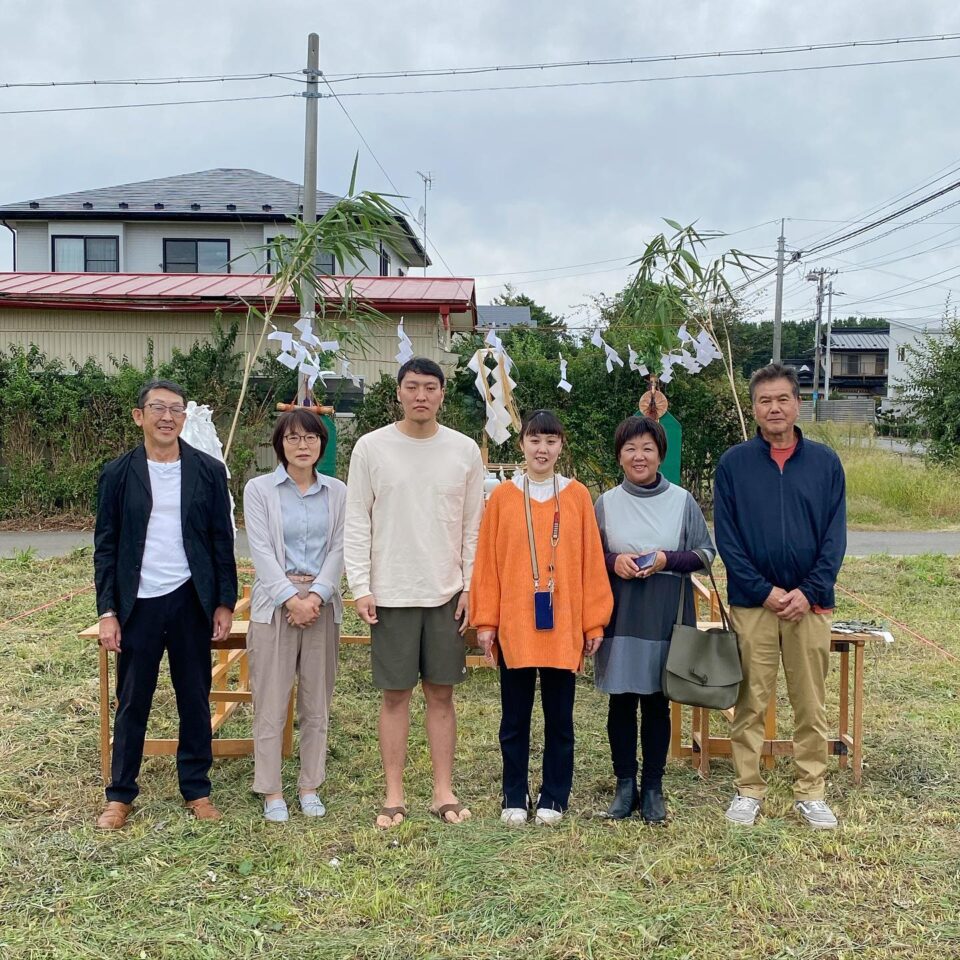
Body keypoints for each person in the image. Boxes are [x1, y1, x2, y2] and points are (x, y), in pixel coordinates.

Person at [344, 357, 485, 828]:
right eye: (411, 387)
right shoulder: (371, 448)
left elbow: (473, 526)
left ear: (442, 394)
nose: (420, 395)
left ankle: (443, 790)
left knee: (441, 694)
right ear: (399, 393)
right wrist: (361, 586)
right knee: (395, 695)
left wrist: (470, 586)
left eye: (429, 387)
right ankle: (394, 793)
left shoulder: (464, 450)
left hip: (446, 592)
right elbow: (357, 520)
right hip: (391, 592)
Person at [94, 379, 237, 829]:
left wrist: (224, 602)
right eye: (158, 408)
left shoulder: (207, 471)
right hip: (138, 603)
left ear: (184, 418)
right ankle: (120, 794)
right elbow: (106, 547)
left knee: (194, 696)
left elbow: (222, 541)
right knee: (132, 699)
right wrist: (108, 612)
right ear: (140, 416)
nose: (167, 417)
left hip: (190, 599)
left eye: (176, 409)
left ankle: (196, 789)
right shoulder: (118, 474)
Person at [714, 362, 846, 830]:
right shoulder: (734, 465)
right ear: (754, 409)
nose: (774, 408)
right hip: (754, 604)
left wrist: (807, 591)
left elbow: (834, 539)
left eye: (782, 399)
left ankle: (811, 790)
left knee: (810, 702)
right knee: (751, 700)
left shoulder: (825, 463)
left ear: (797, 403)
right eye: (765, 400)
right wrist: (765, 591)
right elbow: (728, 541)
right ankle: (747, 789)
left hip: (810, 605)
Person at [471, 410, 613, 826]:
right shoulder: (502, 497)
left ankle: (554, 795)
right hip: (516, 623)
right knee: (514, 718)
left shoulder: (577, 496)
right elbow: (488, 563)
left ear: (561, 446)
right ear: (522, 445)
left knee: (560, 719)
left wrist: (593, 621)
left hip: (562, 623)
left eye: (551, 441)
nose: (542, 449)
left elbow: (590, 562)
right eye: (535, 440)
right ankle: (514, 793)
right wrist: (486, 621)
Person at [593, 415, 715, 823]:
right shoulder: (606, 503)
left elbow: (705, 555)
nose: (639, 456)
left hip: (666, 616)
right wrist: (614, 562)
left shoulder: (682, 501)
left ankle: (653, 788)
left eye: (647, 448)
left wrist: (666, 560)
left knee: (657, 703)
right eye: (630, 448)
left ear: (661, 455)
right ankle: (624, 784)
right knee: (621, 700)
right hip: (621, 615)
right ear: (619, 456)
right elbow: (589, 556)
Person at [243, 410, 346, 823]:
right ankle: (271, 789)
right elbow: (261, 551)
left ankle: (309, 785)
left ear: (322, 443)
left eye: (310, 438)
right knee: (271, 700)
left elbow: (340, 548)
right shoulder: (259, 489)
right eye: (293, 438)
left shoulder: (338, 491)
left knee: (316, 701)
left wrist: (316, 596)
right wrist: (291, 599)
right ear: (280, 445)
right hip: (275, 604)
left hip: (322, 604)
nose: (302, 446)